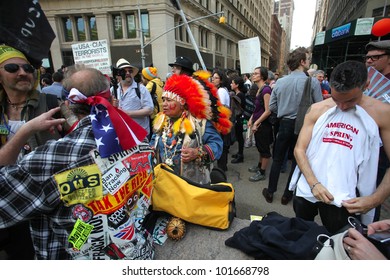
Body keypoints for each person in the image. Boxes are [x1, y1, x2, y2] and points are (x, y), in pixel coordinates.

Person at [0, 65, 153, 260]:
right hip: (139, 252)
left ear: (68, 104)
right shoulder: (139, 138)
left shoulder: (51, 158)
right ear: (111, 99)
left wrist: (24, 131)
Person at [290, 60, 390, 234]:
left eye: (350, 100)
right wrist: (314, 184)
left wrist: (374, 199)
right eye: (336, 99)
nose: (342, 106)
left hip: (347, 198)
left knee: (343, 243)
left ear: (366, 85)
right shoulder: (317, 109)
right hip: (309, 187)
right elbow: (299, 149)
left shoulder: (382, 113)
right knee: (301, 234)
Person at [0, 45, 63, 259]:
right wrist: (28, 129)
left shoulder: (53, 103)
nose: (23, 73)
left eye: (27, 68)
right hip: (12, 207)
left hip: (52, 204)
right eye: (11, 68)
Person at [262, 47, 322, 205]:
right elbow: (320, 106)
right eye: (307, 59)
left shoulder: (280, 82)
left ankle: (270, 192)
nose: (309, 62)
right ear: (302, 62)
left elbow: (272, 107)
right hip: (304, 125)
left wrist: (284, 108)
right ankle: (287, 194)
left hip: (284, 124)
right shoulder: (312, 82)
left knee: (277, 159)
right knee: (297, 160)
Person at [150, 73, 225, 184]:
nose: (164, 104)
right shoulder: (161, 121)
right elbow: (153, 143)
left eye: (169, 100)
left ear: (182, 103)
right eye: (163, 100)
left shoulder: (200, 123)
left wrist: (198, 152)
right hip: (164, 184)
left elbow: (217, 144)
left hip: (191, 187)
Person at [365, 40, 390, 221]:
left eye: (376, 57)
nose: (370, 61)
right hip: (360, 146)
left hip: (381, 153)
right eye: (367, 58)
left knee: (372, 201)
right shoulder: (363, 82)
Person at [113, 58, 154, 137]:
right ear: (118, 74)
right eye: (124, 71)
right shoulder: (114, 90)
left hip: (140, 135)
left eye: (130, 71)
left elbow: (149, 109)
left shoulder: (141, 89)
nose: (128, 73)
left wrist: (128, 113)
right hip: (123, 134)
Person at [247, 67, 273, 182]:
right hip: (258, 124)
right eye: (253, 73)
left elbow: (268, 111)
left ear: (262, 76)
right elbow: (258, 108)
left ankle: (262, 172)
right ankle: (259, 166)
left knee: (265, 150)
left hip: (264, 126)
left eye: (256, 73)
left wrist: (256, 123)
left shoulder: (266, 90)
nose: (253, 75)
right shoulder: (259, 89)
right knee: (260, 147)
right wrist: (251, 118)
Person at [212, 69, 231, 172]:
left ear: (221, 80)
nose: (213, 80)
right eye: (213, 77)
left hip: (222, 122)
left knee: (222, 145)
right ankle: (222, 167)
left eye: (216, 78)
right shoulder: (220, 90)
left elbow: (221, 108)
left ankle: (222, 168)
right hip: (222, 122)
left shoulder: (221, 91)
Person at [230, 75, 246, 164]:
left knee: (240, 138)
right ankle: (239, 153)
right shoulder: (238, 94)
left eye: (232, 83)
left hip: (239, 119)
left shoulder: (239, 95)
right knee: (239, 137)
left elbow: (238, 109)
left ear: (237, 85)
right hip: (238, 119)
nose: (231, 84)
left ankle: (240, 155)